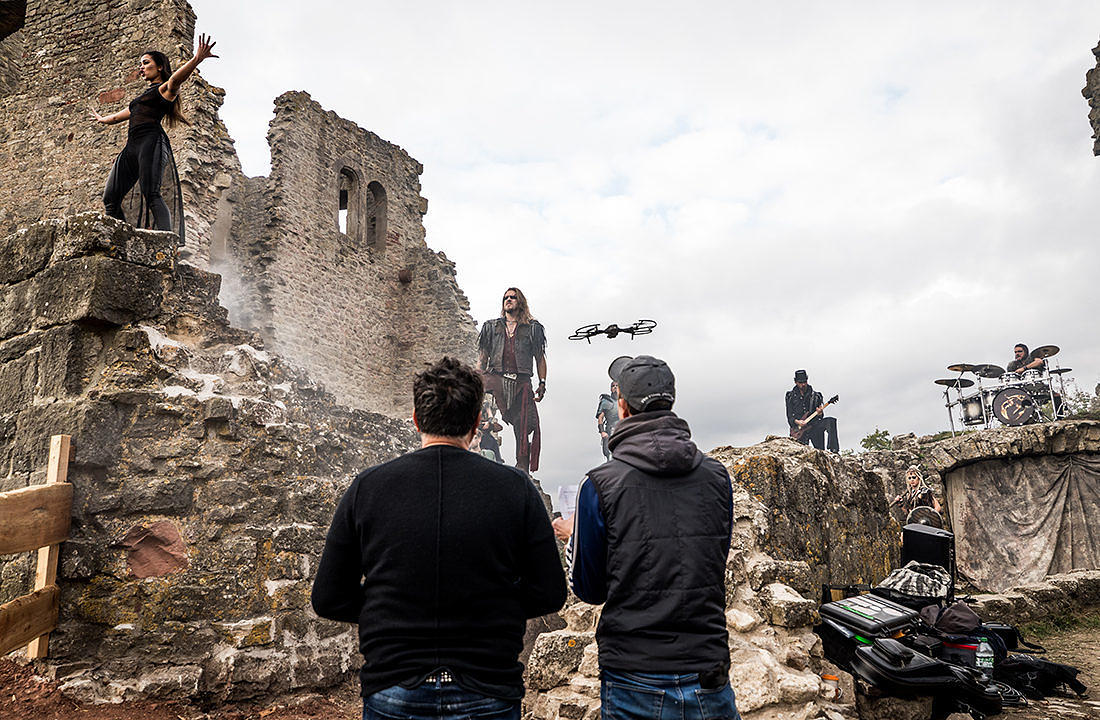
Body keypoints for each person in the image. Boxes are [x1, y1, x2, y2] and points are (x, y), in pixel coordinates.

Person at [311, 357, 567, 720]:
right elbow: (550, 592)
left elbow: (328, 597)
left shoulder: (368, 488)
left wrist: (392, 611)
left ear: (416, 419)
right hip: (488, 684)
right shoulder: (515, 489)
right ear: (477, 422)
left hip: (394, 682)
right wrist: (493, 608)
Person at [566, 355, 740, 720]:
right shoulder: (716, 477)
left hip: (634, 672)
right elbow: (713, 561)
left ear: (622, 407)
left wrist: (572, 539)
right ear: (671, 402)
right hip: (706, 666)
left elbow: (589, 588)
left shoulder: (599, 484)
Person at [92, 35, 218, 238]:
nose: (141, 67)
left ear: (159, 67)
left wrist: (197, 59)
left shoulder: (165, 90)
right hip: (131, 148)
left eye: (146, 63)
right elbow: (117, 117)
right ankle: (120, 241)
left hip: (151, 143)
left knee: (151, 193)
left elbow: (175, 80)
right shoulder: (141, 98)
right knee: (110, 197)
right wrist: (102, 119)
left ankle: (167, 244)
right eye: (140, 64)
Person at [477, 288, 546, 472]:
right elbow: (483, 357)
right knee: (473, 406)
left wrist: (542, 382)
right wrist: (476, 380)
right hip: (495, 377)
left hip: (521, 382)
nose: (509, 300)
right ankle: (471, 449)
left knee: (523, 425)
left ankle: (522, 467)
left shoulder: (532, 328)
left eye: (513, 297)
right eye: (506, 297)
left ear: (520, 302)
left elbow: (540, 358)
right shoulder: (492, 327)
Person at [785, 369, 839, 452]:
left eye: (804, 382)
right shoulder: (790, 396)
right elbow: (789, 416)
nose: (803, 384)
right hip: (799, 431)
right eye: (800, 382)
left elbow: (820, 417)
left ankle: (834, 450)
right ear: (795, 382)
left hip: (814, 427)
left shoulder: (816, 396)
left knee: (831, 421)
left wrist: (820, 413)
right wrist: (798, 422)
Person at [595, 380, 620, 461]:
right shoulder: (606, 401)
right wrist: (602, 432)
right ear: (611, 389)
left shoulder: (624, 401)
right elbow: (600, 418)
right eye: (613, 386)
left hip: (622, 428)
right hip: (610, 429)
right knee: (610, 454)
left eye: (617, 386)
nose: (615, 387)